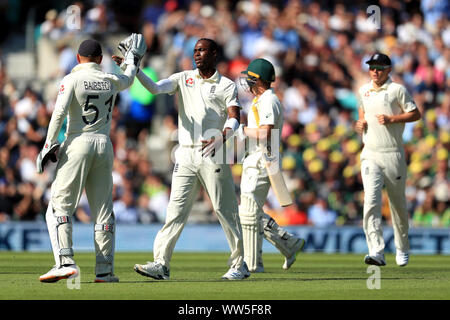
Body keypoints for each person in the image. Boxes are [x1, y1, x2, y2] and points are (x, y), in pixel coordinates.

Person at [114, 38, 249, 280]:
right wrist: (134, 69)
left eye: (202, 50)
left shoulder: (226, 85)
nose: (197, 54)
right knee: (175, 210)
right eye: (195, 50)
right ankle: (161, 263)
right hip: (185, 153)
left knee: (224, 209)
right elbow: (155, 88)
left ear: (214, 54)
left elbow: (235, 116)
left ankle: (240, 264)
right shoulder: (183, 77)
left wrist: (222, 136)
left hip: (213, 150)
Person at [37, 35, 146, 283]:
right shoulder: (110, 79)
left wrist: (47, 145)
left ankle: (64, 262)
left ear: (78, 58)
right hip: (104, 145)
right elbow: (129, 79)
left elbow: (58, 114)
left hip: (77, 143)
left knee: (58, 207)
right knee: (103, 210)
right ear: (100, 59)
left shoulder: (72, 78)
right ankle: (105, 270)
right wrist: (132, 59)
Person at [235, 58, 305, 273]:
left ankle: (253, 264)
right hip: (256, 157)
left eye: (250, 78)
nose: (246, 81)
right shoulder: (260, 100)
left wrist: (242, 130)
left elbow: (266, 133)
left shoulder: (268, 101)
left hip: (262, 158)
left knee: (247, 212)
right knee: (249, 212)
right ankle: (287, 243)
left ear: (259, 80)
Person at [355, 53, 421, 267]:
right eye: (372, 67)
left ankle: (402, 248)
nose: (375, 71)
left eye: (380, 68)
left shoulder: (397, 90)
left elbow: (415, 113)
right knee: (371, 200)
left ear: (388, 70)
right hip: (370, 153)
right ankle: (376, 251)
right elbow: (362, 110)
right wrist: (361, 121)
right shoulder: (362, 90)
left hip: (392, 153)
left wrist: (393, 119)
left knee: (397, 204)